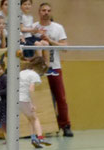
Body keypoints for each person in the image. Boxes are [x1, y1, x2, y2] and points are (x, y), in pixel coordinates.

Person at [34, 2, 73, 137]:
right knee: (38, 98)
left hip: (54, 67)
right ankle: (40, 127)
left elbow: (65, 47)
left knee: (60, 98)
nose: (46, 12)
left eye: (48, 10)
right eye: (43, 10)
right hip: (38, 70)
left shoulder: (58, 28)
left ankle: (65, 125)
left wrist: (50, 40)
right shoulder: (34, 27)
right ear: (39, 12)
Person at [19, 57, 51, 149]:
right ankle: (40, 137)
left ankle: (33, 139)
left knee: (31, 119)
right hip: (24, 99)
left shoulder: (22, 72)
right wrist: (32, 104)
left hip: (16, 99)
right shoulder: (34, 75)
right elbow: (31, 90)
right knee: (35, 118)